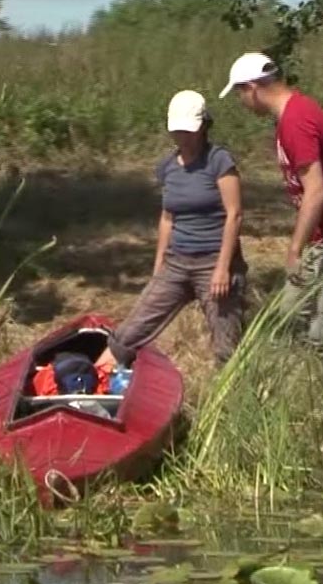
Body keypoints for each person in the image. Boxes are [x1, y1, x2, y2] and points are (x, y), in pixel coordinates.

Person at [219, 52, 323, 452]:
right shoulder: (293, 116)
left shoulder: (297, 121)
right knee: (283, 316)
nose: (243, 104)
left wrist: (294, 247)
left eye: (240, 95)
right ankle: (304, 395)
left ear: (251, 88)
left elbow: (318, 190)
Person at [93, 89, 247, 379]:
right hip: (178, 261)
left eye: (188, 130)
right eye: (177, 131)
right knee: (130, 331)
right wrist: (159, 264)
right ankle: (89, 384)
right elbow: (167, 217)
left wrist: (223, 268)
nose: (183, 137)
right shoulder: (167, 167)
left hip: (214, 262)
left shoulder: (219, 161)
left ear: (203, 126)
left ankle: (233, 404)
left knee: (226, 345)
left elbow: (234, 214)